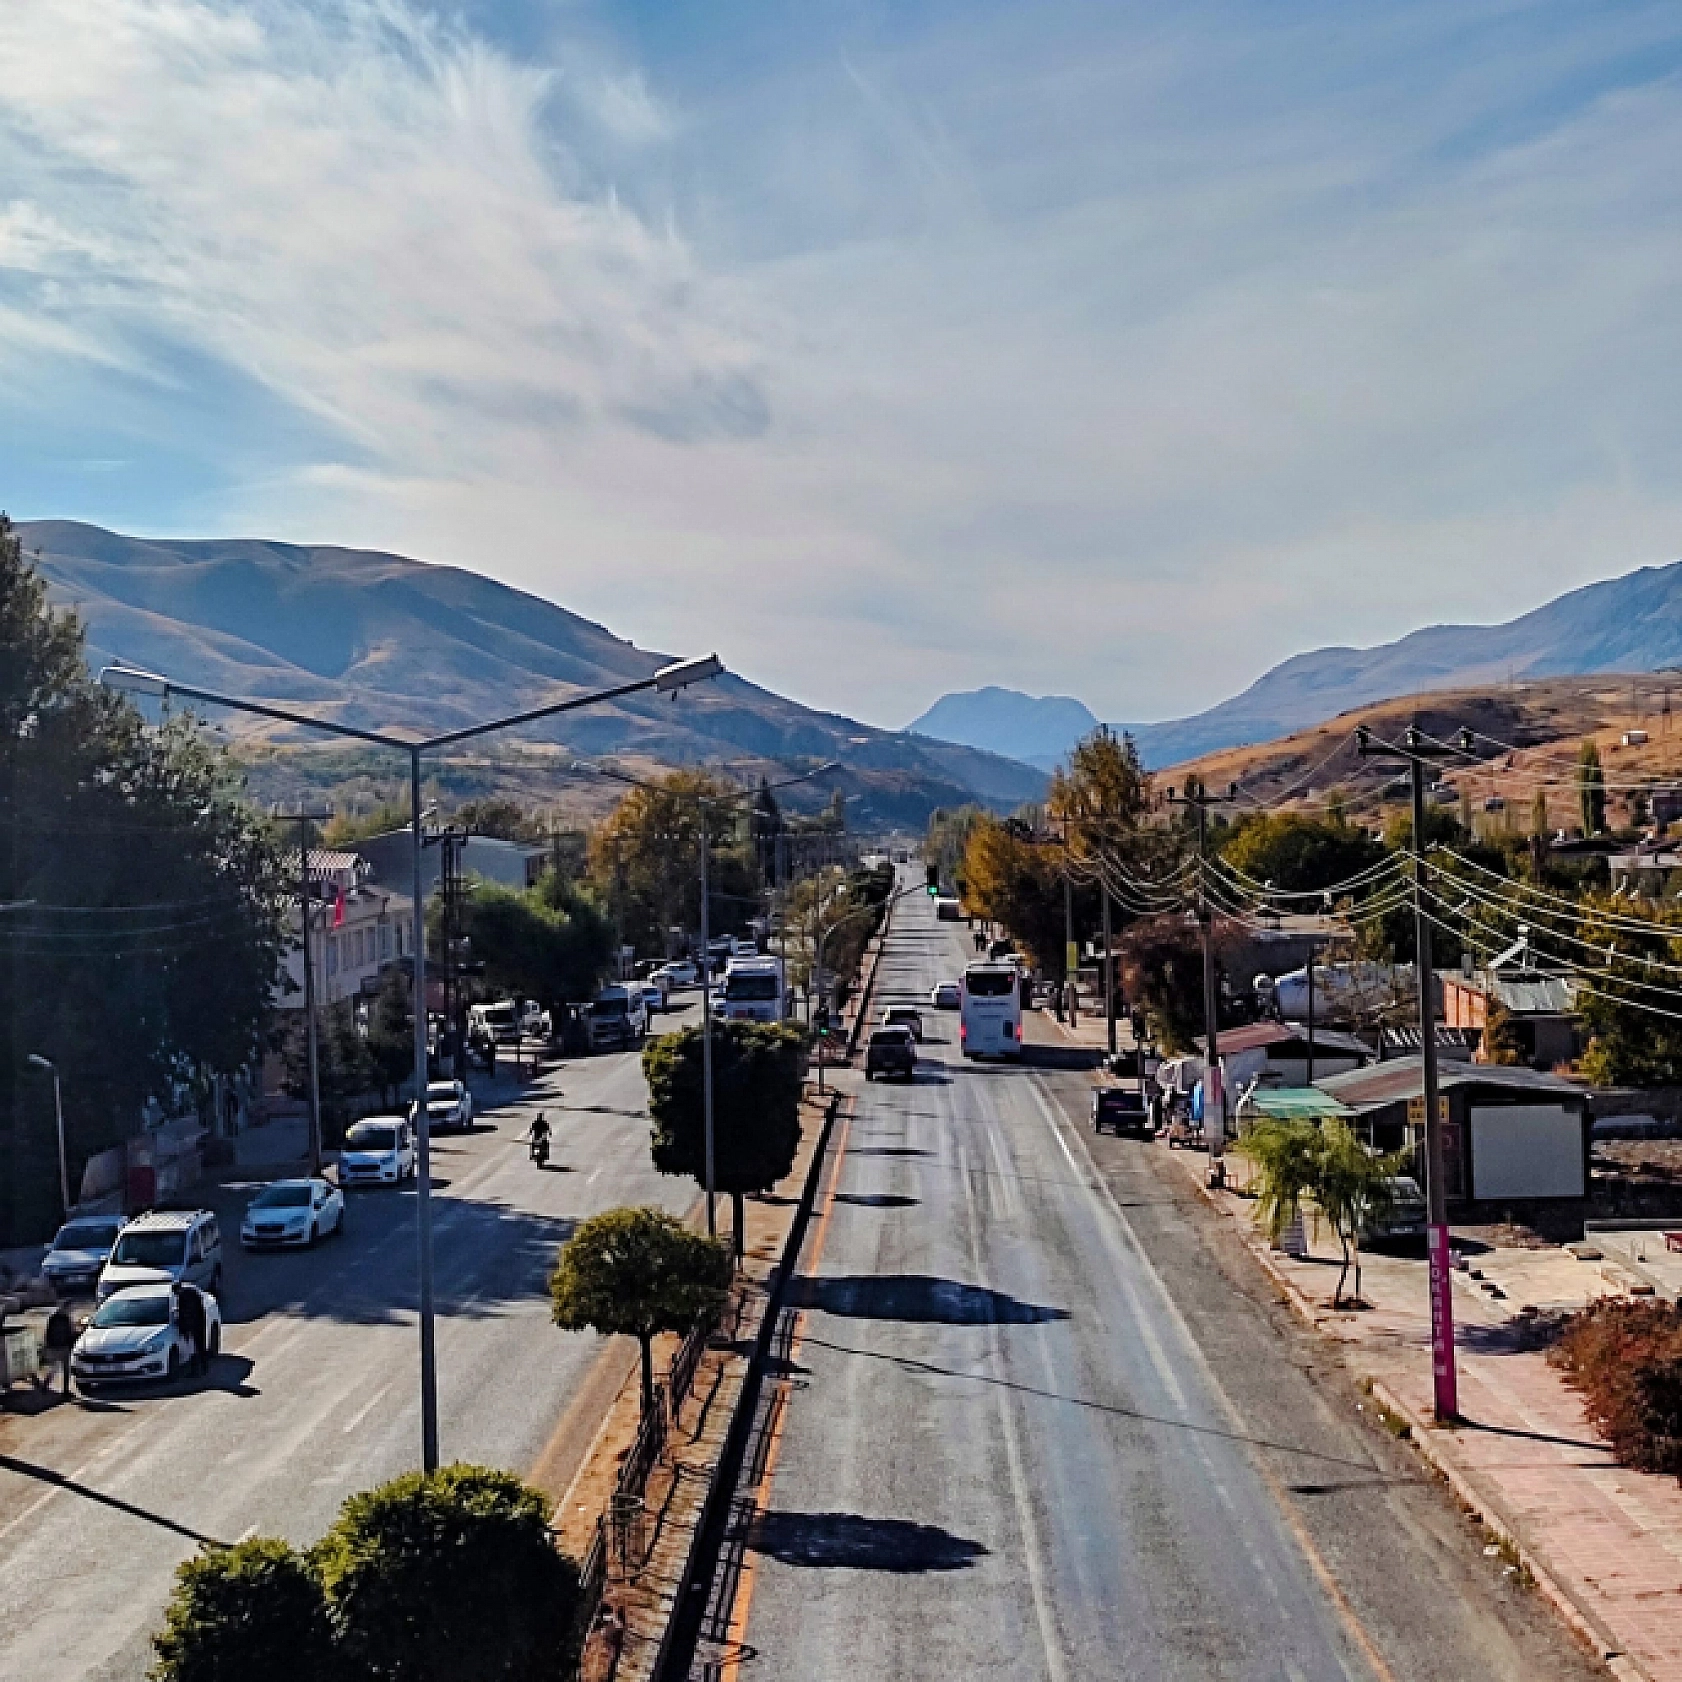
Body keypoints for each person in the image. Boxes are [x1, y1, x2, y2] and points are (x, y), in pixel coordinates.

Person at [173, 1282, 207, 1377]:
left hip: (192, 1325)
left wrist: (182, 1326)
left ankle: (196, 1371)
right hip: (200, 1322)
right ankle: (204, 1368)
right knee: (200, 1346)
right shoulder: (191, 1292)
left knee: (193, 1348)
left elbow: (183, 1313)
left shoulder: (182, 1298)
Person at [42, 1303, 75, 1395]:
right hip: (62, 1347)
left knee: (54, 1369)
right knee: (64, 1370)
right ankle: (64, 1390)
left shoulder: (53, 1318)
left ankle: (46, 1385)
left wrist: (48, 1345)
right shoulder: (65, 1319)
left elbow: (48, 1333)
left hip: (56, 1346)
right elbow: (69, 1333)